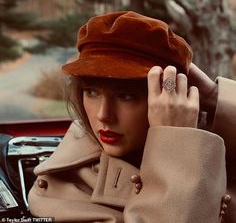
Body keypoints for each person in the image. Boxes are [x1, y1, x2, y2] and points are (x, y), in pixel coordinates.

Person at [28, 11, 236, 222]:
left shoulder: (208, 142)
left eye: (125, 96)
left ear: (167, 96)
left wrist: (213, 96)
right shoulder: (64, 190)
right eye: (92, 92)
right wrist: (176, 144)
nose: (104, 115)